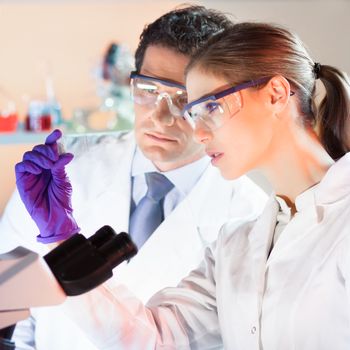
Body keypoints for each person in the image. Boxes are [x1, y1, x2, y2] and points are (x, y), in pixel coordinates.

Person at [15, 21, 350, 349]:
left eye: (211, 107)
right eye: (196, 112)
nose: (199, 132)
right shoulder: (237, 245)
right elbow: (153, 339)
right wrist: (62, 236)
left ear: (276, 94)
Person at [0, 7, 267, 350]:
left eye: (184, 98)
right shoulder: (61, 170)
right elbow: (7, 297)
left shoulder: (251, 216)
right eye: (148, 89)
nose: (160, 117)